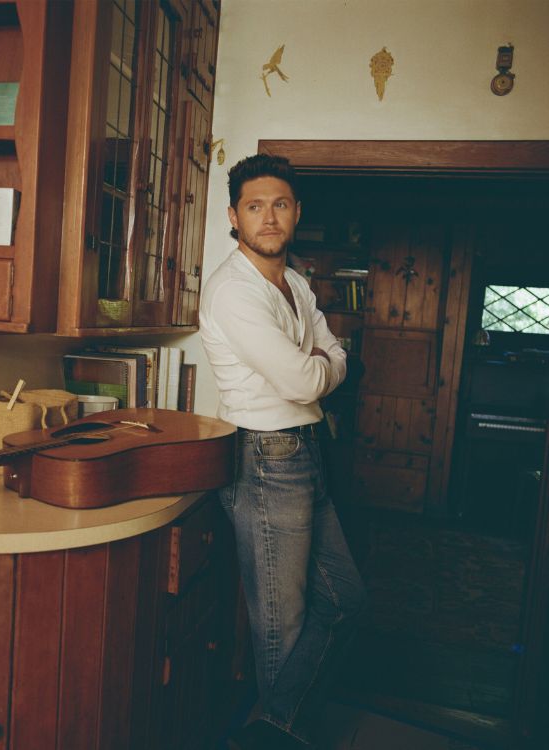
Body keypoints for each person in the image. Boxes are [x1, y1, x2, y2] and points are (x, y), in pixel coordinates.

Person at [199, 154, 366, 750]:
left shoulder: (294, 283)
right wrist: (322, 365)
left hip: (306, 451)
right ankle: (280, 737)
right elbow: (303, 379)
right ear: (233, 217)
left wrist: (325, 363)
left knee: (346, 601)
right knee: (282, 623)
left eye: (279, 204)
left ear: (296, 212)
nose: (268, 217)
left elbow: (333, 352)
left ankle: (276, 728)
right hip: (266, 459)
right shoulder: (233, 291)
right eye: (254, 206)